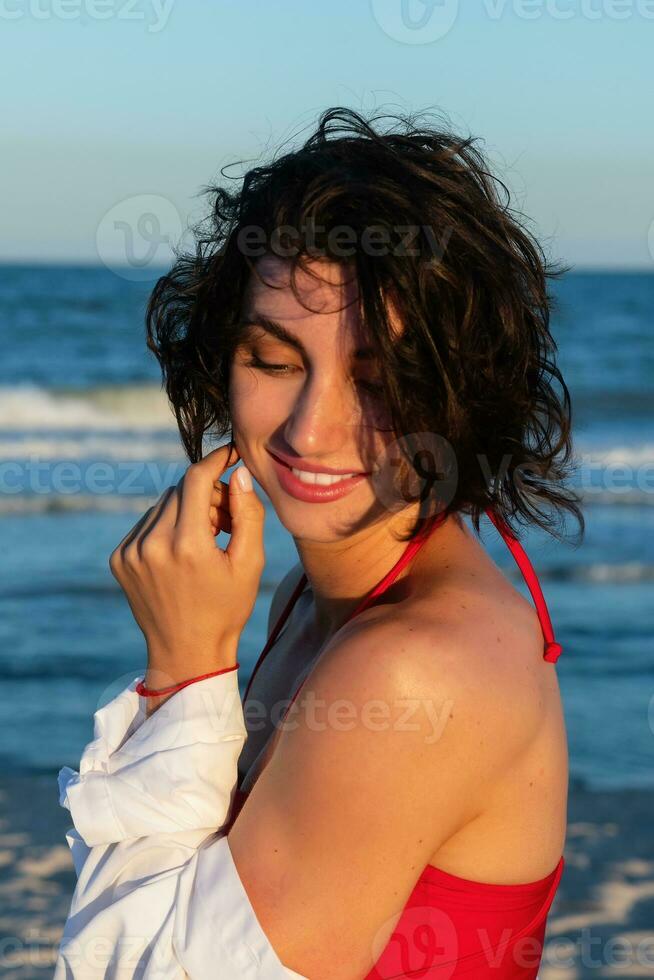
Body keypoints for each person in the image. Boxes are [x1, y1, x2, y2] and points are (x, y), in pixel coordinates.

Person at [55, 106, 583, 978]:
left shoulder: (415, 666)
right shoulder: (317, 594)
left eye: (377, 378)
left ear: (461, 390)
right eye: (274, 362)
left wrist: (185, 673)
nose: (312, 427)